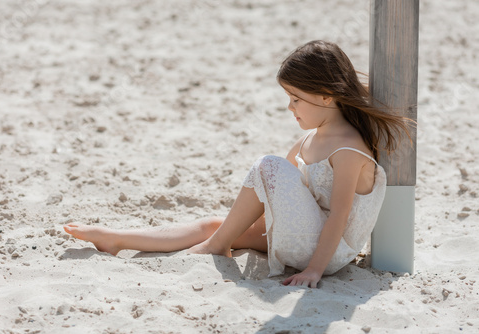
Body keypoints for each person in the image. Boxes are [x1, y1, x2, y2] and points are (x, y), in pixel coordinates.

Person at [63, 40, 411, 288]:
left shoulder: (348, 148)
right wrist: (249, 230)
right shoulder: (310, 138)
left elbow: (339, 214)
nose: (290, 108)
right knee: (215, 224)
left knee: (268, 166)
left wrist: (316, 271)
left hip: (326, 252)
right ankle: (117, 239)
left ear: (326, 96)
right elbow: (274, 199)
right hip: (305, 234)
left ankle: (216, 246)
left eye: (295, 99)